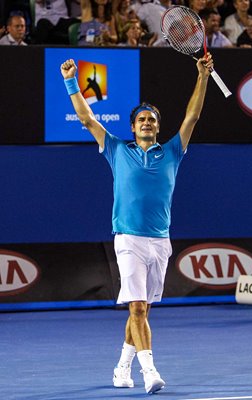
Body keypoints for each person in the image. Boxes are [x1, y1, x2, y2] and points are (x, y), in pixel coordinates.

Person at [60, 52, 214, 394]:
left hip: (160, 241)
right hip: (128, 238)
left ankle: (122, 367)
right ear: (132, 127)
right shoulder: (116, 149)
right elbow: (86, 118)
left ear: (158, 127)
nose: (146, 122)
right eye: (141, 119)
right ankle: (150, 372)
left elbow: (192, 116)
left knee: (140, 310)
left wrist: (202, 76)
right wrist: (71, 81)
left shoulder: (173, 151)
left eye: (152, 120)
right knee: (139, 306)